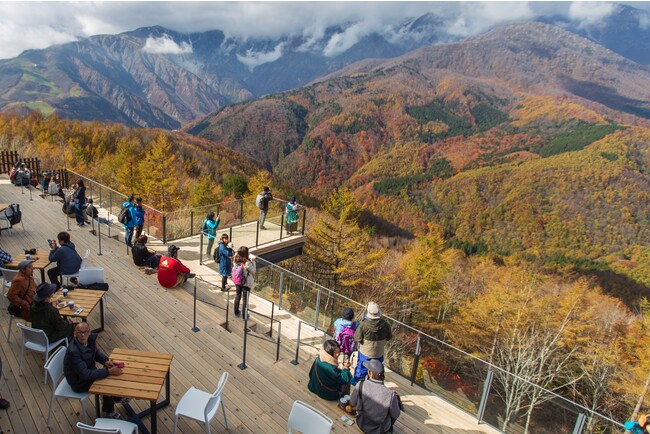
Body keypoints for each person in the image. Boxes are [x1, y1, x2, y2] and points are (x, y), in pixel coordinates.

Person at [64, 322, 124, 419]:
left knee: (109, 374)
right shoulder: (73, 351)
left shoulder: (89, 340)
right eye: (80, 332)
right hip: (79, 382)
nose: (83, 335)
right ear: (75, 334)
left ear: (89, 332)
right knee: (107, 382)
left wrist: (105, 360)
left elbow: (95, 353)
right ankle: (107, 412)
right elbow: (85, 374)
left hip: (87, 372)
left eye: (85, 332)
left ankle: (116, 398)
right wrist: (109, 371)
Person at [350, 359, 401, 434]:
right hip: (379, 430)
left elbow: (352, 402)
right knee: (396, 406)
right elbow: (396, 414)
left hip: (361, 423)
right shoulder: (390, 394)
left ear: (370, 373)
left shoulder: (361, 384)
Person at [354, 302, 392, 382]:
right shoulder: (385, 325)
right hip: (378, 353)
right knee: (376, 372)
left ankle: (358, 385)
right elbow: (389, 337)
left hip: (365, 352)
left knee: (361, 370)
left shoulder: (363, 325)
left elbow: (358, 338)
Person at [233, 246, 256, 318]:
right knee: (245, 299)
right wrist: (254, 261)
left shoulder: (236, 259)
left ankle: (236, 312)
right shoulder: (247, 263)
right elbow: (254, 271)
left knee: (237, 295)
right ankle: (244, 315)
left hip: (238, 281)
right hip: (245, 283)